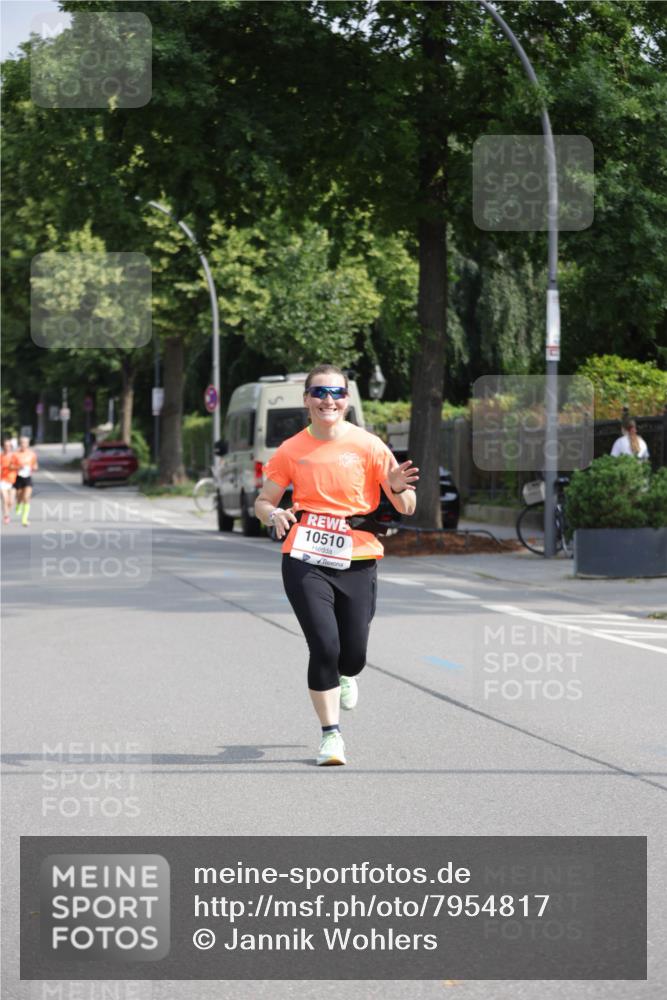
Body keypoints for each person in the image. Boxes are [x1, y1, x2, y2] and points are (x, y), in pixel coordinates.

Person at [255, 363, 418, 767]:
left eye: (336, 393)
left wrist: (397, 488)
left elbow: (407, 507)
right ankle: (331, 737)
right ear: (306, 399)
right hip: (305, 554)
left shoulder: (369, 445)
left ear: (347, 400)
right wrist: (271, 515)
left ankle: (348, 674)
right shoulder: (291, 449)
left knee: (354, 654)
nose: (328, 400)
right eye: (320, 392)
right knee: (324, 645)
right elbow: (263, 501)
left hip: (358, 554)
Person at [13, 436, 39, 526]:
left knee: (26, 498)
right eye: (22, 443)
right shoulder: (15, 454)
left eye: (25, 443)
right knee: (19, 496)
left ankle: (24, 519)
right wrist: (18, 467)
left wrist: (34, 467)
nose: (24, 444)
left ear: (28, 444)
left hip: (27, 477)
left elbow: (35, 465)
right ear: (20, 444)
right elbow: (10, 466)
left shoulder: (32, 454)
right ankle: (18, 505)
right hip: (18, 477)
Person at [1, 438, 19, 524]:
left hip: (13, 480)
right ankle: (6, 516)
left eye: (9, 446)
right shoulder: (1, 456)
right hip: (2, 480)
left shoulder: (14, 456)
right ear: (3, 447)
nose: (7, 447)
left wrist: (13, 467)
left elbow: (20, 467)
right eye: (5, 446)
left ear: (11, 447)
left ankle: (8, 513)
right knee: (5, 499)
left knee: (10, 502)